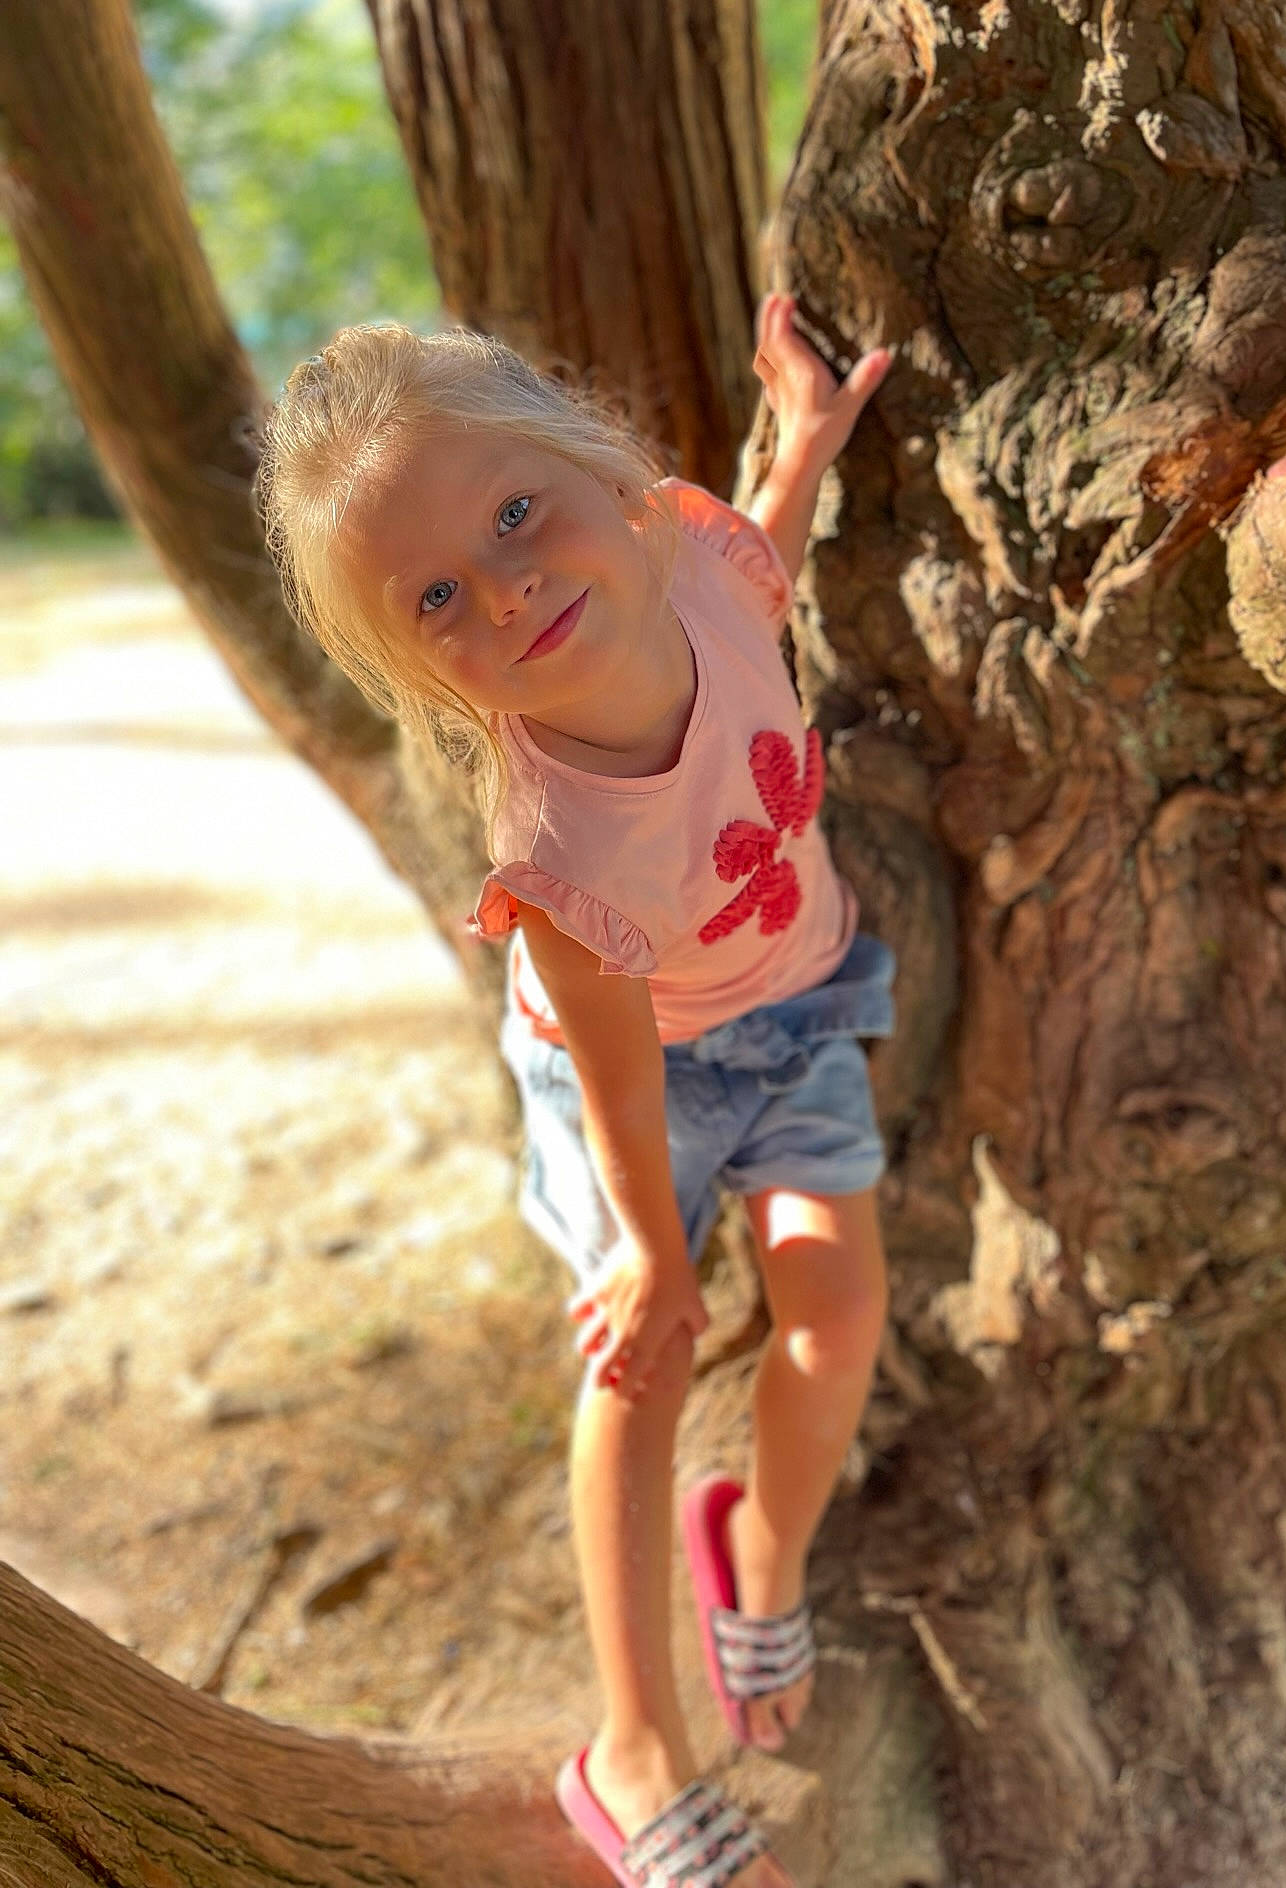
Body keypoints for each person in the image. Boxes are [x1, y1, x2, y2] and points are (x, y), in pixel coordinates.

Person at [258, 296, 896, 1888]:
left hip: (801, 1006)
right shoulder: (552, 856)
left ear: (612, 480)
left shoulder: (698, 567)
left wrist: (802, 447)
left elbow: (767, 556)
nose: (509, 584)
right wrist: (651, 1251)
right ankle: (631, 1750)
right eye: (440, 595)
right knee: (644, 1361)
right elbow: (614, 1061)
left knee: (834, 1318)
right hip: (639, 1091)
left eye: (518, 513)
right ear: (425, 662)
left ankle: (756, 1554)